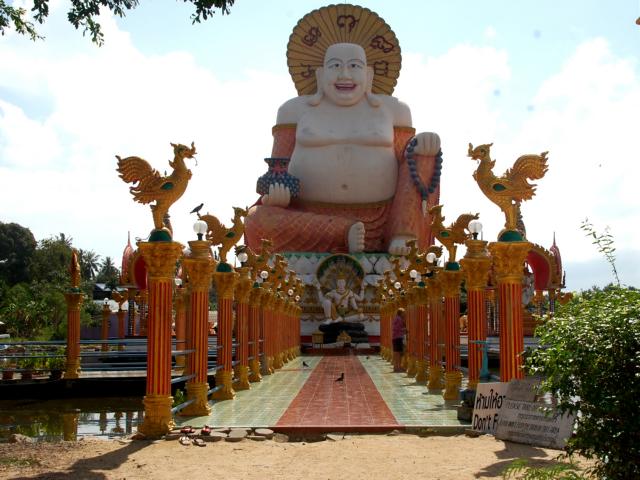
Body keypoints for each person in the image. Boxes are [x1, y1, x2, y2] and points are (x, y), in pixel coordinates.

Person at [245, 20, 441, 255]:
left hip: (383, 222)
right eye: (335, 65)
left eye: (355, 66)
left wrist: (423, 145)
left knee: (422, 153)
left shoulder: (394, 110)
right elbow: (278, 168)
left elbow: (405, 164)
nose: (345, 74)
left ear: (368, 74)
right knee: (256, 219)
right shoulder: (294, 110)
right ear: (320, 74)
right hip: (308, 221)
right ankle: (342, 230)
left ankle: (404, 234)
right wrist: (276, 195)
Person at [392, 308, 406, 372]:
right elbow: (397, 328)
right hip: (398, 337)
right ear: (401, 313)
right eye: (404, 313)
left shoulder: (396, 318)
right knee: (399, 353)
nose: (404, 314)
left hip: (395, 338)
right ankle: (398, 367)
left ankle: (396, 367)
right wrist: (404, 330)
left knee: (396, 353)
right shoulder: (399, 319)